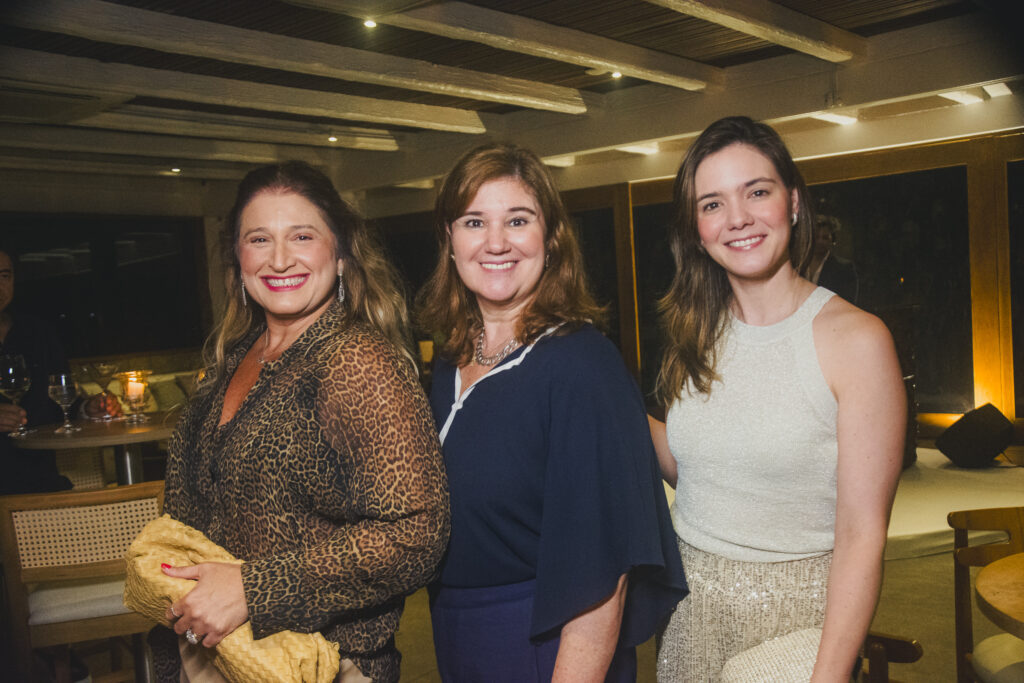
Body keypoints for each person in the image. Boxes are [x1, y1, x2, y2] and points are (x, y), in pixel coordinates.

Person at [153, 161, 450, 683]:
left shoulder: (357, 363)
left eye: (302, 236)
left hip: (321, 666)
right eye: (259, 238)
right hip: (217, 658)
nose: (280, 258)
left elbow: (417, 533)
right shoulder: (234, 360)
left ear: (339, 255)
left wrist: (254, 589)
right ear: (238, 259)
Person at [417, 143, 687, 682]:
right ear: (450, 240)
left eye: (518, 220)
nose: (496, 242)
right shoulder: (449, 364)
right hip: (456, 636)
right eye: (474, 221)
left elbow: (604, 570)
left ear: (551, 239)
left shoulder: (582, 365)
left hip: (548, 645)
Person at [650, 116, 905, 681]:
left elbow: (862, 534)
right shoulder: (696, 331)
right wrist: (616, 411)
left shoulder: (857, 340)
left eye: (756, 192)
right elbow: (696, 471)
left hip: (797, 622)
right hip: (692, 612)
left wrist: (830, 674)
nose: (737, 218)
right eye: (712, 204)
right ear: (695, 228)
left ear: (792, 202)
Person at [0, 246, 119, 495]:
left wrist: (88, 409)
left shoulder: (39, 334)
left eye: (4, 276)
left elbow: (61, 401)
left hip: (40, 485)